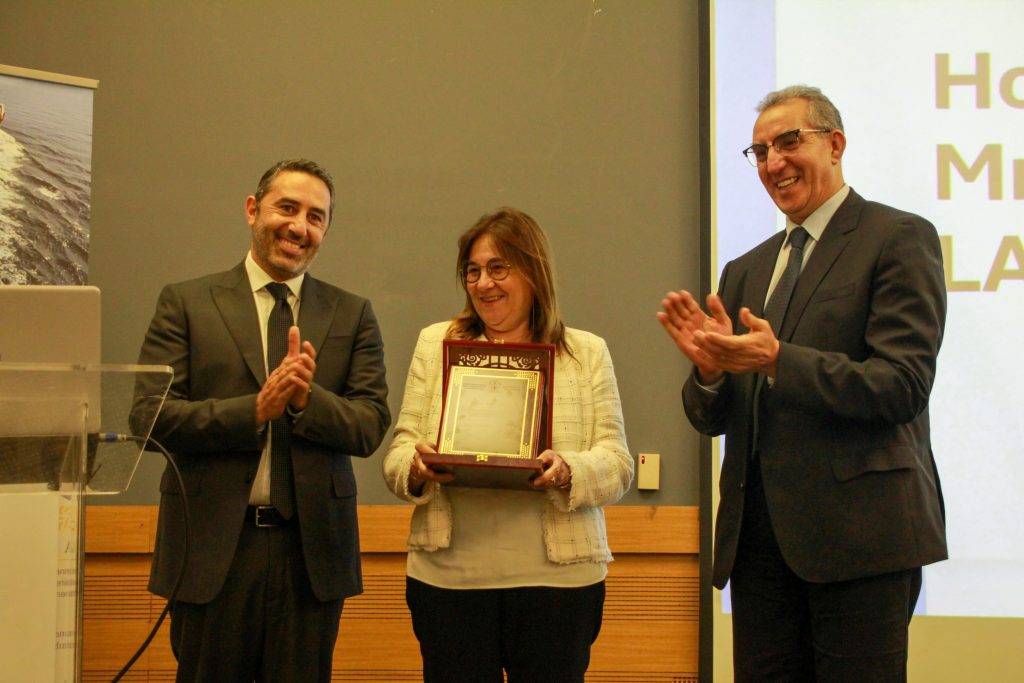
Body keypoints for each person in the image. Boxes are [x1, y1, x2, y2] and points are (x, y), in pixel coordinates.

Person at [658, 86, 947, 681]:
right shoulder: (746, 269)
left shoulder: (897, 237)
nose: (774, 163)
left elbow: (901, 384)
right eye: (760, 152)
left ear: (834, 145)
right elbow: (713, 417)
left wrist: (777, 360)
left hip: (861, 543)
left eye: (789, 142)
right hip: (759, 548)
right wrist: (711, 370)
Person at [137, 159, 390, 682]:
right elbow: (150, 416)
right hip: (212, 553)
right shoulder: (186, 302)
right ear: (253, 210)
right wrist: (254, 410)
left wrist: (304, 401)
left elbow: (370, 424)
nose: (300, 226)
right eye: (287, 208)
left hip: (311, 558)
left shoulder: (352, 313)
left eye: (316, 217)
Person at [382, 207, 633, 682]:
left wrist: (568, 469)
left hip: (559, 585)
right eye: (472, 271)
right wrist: (415, 467)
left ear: (534, 272)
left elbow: (618, 464)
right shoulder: (435, 344)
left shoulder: (586, 352)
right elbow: (398, 453)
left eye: (498, 268)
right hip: (448, 582)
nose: (483, 283)